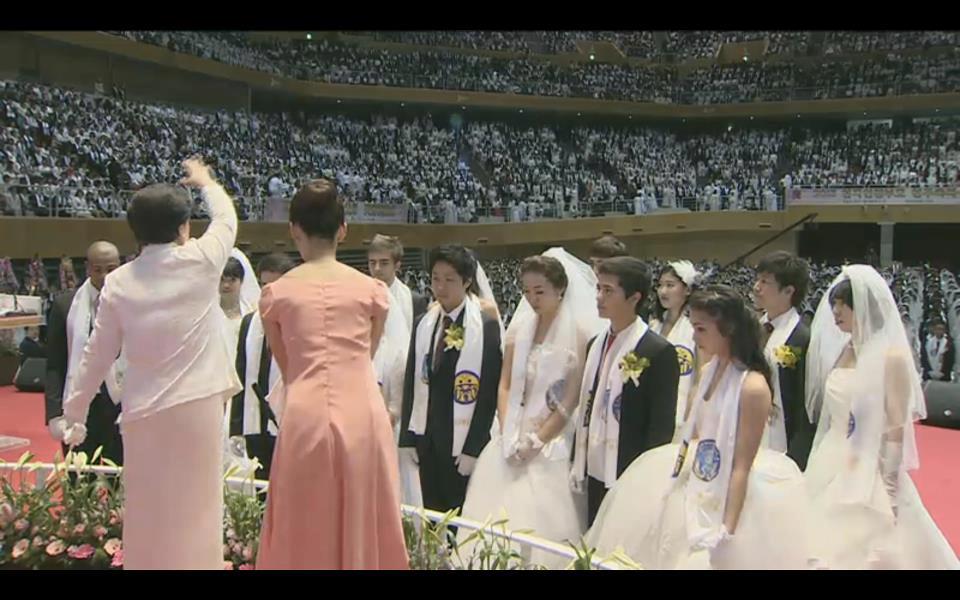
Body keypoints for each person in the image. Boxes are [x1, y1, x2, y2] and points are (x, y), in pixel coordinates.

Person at [60, 158, 242, 570]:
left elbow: (97, 354)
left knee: (146, 513)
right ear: (183, 228)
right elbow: (227, 218)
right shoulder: (202, 259)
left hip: (143, 414)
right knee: (200, 510)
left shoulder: (119, 282)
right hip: (197, 409)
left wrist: (74, 412)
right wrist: (206, 181)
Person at [586, 285, 810, 570]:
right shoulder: (707, 371)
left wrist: (727, 530)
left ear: (728, 329)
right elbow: (694, 432)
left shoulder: (752, 387)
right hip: (694, 472)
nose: (694, 337)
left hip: (729, 487)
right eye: (693, 327)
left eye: (701, 329)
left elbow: (742, 464)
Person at [254, 179, 408, 570]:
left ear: (294, 229)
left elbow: (287, 365)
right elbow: (367, 353)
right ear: (343, 230)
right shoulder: (372, 291)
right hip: (362, 413)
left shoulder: (276, 295)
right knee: (365, 517)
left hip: (304, 412)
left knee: (303, 524)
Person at [804, 266, 959, 570]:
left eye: (843, 305)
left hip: (871, 459)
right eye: (834, 304)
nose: (835, 312)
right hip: (831, 456)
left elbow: (896, 426)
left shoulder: (891, 357)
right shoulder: (844, 350)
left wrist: (888, 484)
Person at [459, 250, 603, 567]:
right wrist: (508, 428)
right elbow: (505, 384)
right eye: (527, 291)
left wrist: (538, 439)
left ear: (560, 289)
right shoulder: (519, 330)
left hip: (551, 436)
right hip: (512, 429)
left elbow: (572, 397)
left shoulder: (580, 334)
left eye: (540, 291)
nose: (532, 299)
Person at [569, 257, 680, 526]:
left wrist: (648, 477)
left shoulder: (657, 350)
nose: (599, 297)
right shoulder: (595, 343)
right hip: (593, 460)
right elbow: (587, 404)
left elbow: (661, 426)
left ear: (634, 297)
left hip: (629, 465)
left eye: (608, 291)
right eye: (598, 288)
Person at [399, 245, 503, 516]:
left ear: (467, 281)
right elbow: (412, 380)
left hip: (460, 441)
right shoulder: (424, 322)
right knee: (432, 517)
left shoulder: (484, 326)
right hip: (426, 439)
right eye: (435, 278)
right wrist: (407, 438)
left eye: (449, 280)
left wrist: (473, 448)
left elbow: (488, 394)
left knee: (461, 518)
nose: (440, 287)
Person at [45, 241, 123, 465]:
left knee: (121, 476)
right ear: (87, 268)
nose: (105, 276)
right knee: (79, 476)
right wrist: (54, 413)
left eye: (111, 269)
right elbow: (55, 363)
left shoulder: (133, 303)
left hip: (120, 403)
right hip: (79, 404)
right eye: (98, 269)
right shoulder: (64, 305)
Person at [229, 252, 296, 481]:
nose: (269, 291)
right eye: (264, 285)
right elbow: (240, 377)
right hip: (254, 420)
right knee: (258, 486)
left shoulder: (301, 322)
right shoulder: (250, 322)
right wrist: (236, 428)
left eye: (275, 285)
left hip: (286, 422)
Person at [367, 234, 422, 506]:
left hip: (405, 390)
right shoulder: (361, 296)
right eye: (372, 263)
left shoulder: (416, 300)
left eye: (384, 263)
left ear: (398, 265)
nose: (377, 269)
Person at [753, 251, 816, 470]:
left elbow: (805, 405)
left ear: (789, 291)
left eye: (765, 282)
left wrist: (797, 456)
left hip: (780, 438)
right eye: (757, 280)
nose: (756, 287)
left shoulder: (801, 338)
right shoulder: (753, 329)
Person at [650, 261, 706, 436]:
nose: (663, 291)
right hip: (651, 410)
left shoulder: (696, 328)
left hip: (681, 413)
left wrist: (692, 414)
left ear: (687, 290)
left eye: (670, 285)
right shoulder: (653, 326)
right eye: (660, 285)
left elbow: (701, 375)